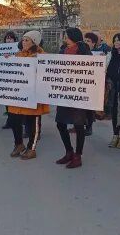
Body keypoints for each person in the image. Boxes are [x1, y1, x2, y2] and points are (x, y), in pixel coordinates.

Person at [54, 28, 93, 168]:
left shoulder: (84, 50)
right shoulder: (62, 50)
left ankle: (78, 155)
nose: (65, 39)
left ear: (73, 37)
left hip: (79, 94)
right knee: (60, 123)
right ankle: (69, 151)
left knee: (78, 125)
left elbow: (90, 71)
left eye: (67, 37)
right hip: (64, 92)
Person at [7, 31, 50, 160]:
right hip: (18, 94)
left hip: (33, 95)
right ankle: (19, 144)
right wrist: (7, 60)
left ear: (34, 42)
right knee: (14, 119)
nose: (23, 42)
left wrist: (37, 62)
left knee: (32, 121)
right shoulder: (18, 54)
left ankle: (31, 148)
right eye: (23, 40)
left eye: (27, 40)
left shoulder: (42, 56)